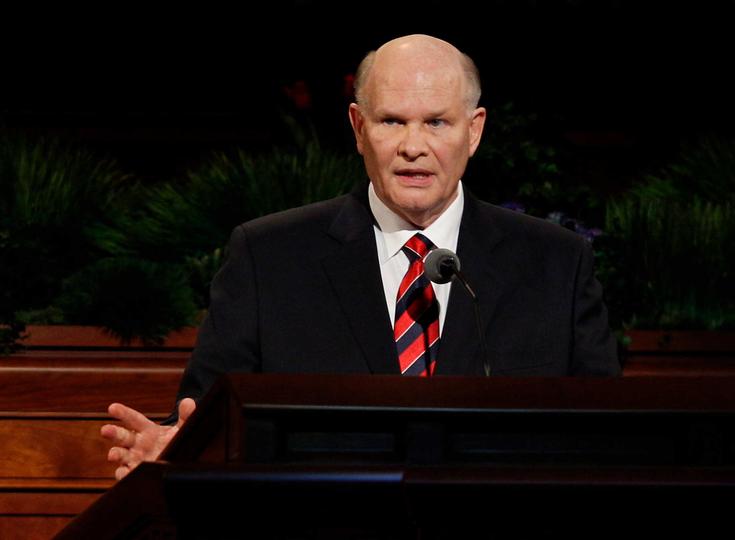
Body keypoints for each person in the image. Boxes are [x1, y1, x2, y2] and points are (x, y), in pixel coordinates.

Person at [100, 34, 619, 480]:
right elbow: (205, 423)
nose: (413, 146)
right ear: (358, 127)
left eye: (437, 122)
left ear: (474, 130)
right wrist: (181, 451)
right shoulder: (268, 258)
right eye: (392, 121)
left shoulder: (556, 263)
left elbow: (609, 440)